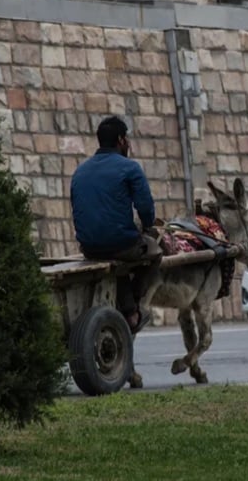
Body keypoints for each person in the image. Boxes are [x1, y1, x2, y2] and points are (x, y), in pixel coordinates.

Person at [70, 116, 162, 335]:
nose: (128, 144)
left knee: (114, 259)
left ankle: (127, 308)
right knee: (155, 252)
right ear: (121, 140)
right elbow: (146, 208)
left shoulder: (80, 171)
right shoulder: (130, 168)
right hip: (121, 243)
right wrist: (149, 227)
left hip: (89, 247)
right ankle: (135, 307)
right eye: (127, 139)